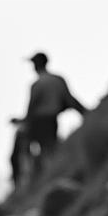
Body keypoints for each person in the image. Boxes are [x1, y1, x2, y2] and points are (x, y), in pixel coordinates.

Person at [11, 52, 87, 186]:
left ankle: (33, 181)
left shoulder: (37, 85)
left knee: (29, 152)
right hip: (52, 121)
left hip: (39, 122)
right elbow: (70, 99)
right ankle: (51, 176)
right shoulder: (58, 80)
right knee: (50, 148)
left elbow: (32, 108)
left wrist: (24, 122)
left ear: (36, 65)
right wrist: (85, 113)